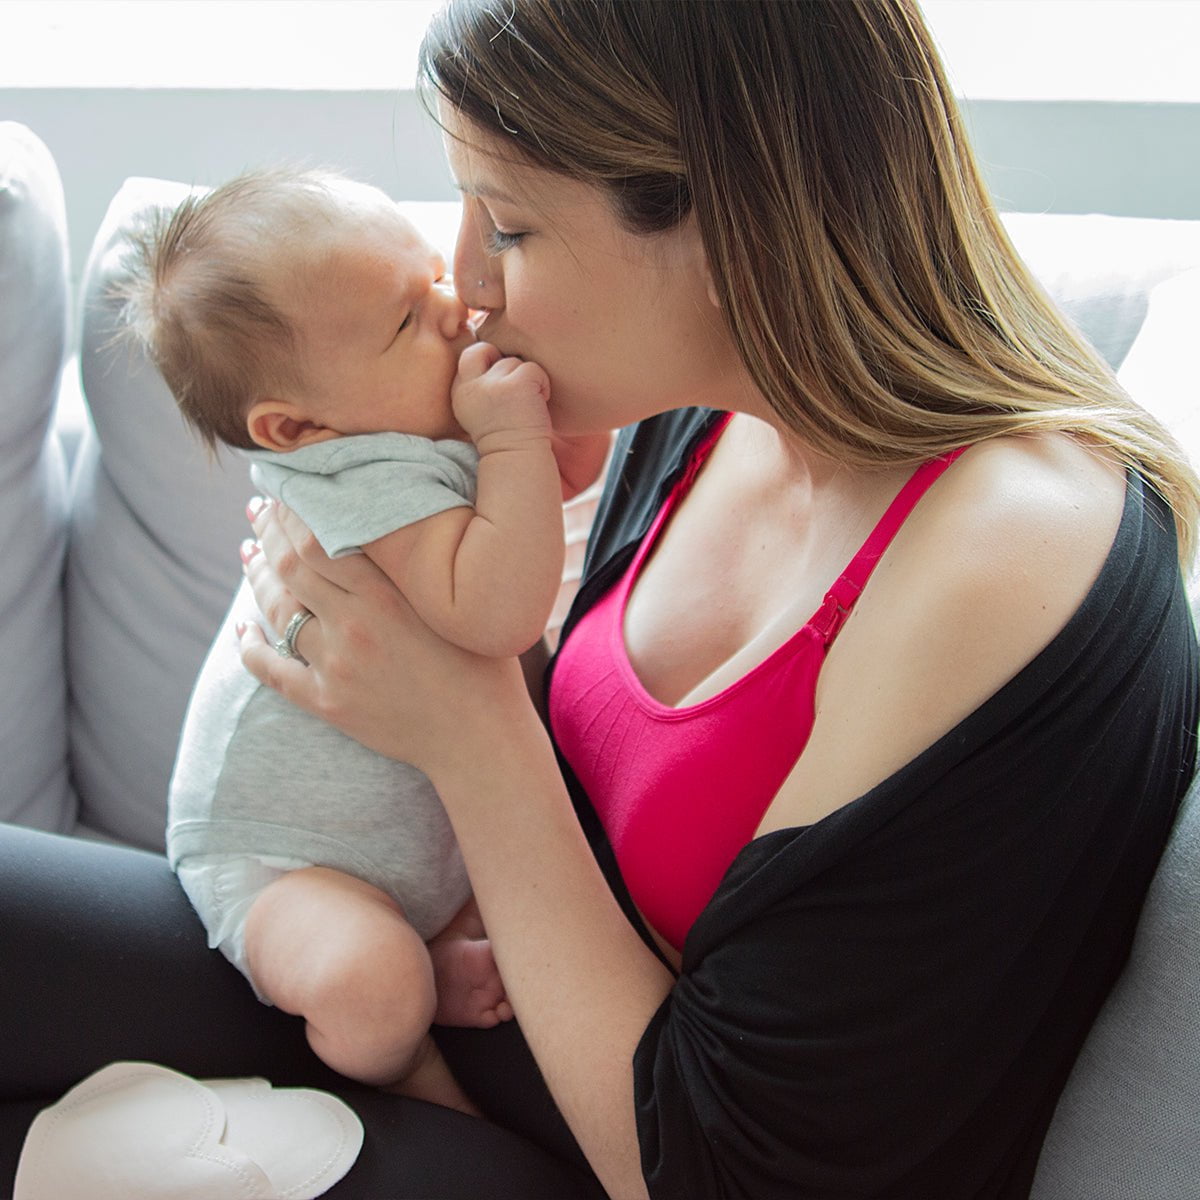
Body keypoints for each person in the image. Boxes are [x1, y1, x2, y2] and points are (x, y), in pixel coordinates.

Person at [1, 2, 1197, 1197]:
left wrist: (463, 724)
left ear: (735, 226)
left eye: (509, 225)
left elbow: (721, 1170)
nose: (466, 283)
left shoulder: (1000, 559)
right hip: (462, 1013)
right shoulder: (694, 410)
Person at [115, 165, 565, 1114]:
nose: (452, 308)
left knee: (481, 937)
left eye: (429, 276)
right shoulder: (358, 475)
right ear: (298, 427)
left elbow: (560, 485)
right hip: (278, 860)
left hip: (397, 856)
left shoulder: (413, 423)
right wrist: (518, 437)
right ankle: (411, 1075)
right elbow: (497, 612)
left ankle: (423, 964)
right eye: (407, 319)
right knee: (374, 987)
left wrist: (538, 410)